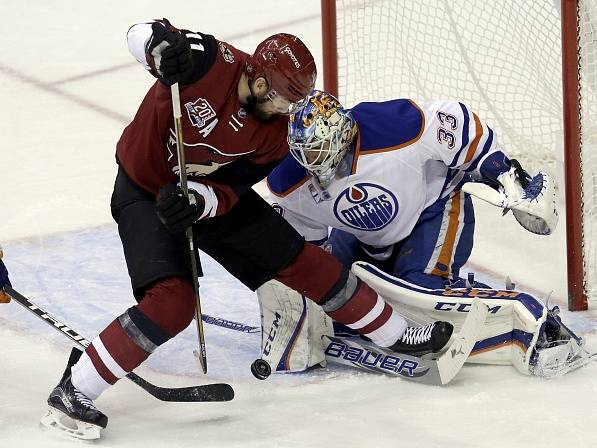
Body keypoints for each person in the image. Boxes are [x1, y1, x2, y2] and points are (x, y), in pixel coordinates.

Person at [41, 20, 453, 438]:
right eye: (280, 101)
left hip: (200, 196)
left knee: (304, 262)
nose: (286, 113)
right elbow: (141, 35)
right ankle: (74, 390)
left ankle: (396, 334)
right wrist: (157, 47)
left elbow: (232, 188)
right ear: (258, 82)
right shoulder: (206, 61)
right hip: (144, 192)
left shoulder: (277, 136)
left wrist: (200, 201)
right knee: (173, 304)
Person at [258, 90, 576, 376]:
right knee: (337, 303)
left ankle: (534, 319)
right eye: (306, 153)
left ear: (342, 133)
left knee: (422, 297)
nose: (313, 162)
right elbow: (310, 253)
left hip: (433, 208)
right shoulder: (289, 182)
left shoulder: (392, 127)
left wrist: (507, 173)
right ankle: (438, 291)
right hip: (362, 237)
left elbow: (457, 122)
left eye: (320, 149)